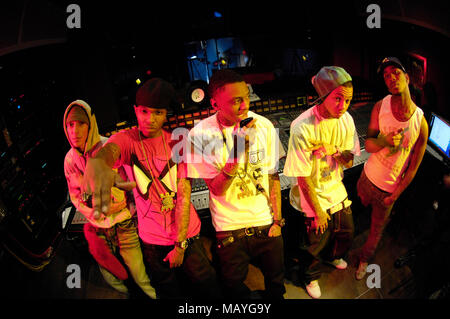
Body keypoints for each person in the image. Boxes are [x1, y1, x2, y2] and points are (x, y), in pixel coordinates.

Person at [81, 78, 222, 299]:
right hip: (152, 240)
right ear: (136, 110)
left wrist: (180, 244)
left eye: (157, 113)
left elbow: (185, 196)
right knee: (167, 290)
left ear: (166, 114)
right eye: (144, 111)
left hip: (186, 235)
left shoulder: (178, 142)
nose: (150, 119)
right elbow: (111, 151)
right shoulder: (128, 139)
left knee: (206, 285)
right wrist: (99, 163)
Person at [187, 69, 286, 299]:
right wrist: (237, 150)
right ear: (214, 104)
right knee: (232, 288)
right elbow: (217, 189)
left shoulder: (264, 125)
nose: (245, 106)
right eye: (236, 101)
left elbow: (272, 176)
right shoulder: (199, 135)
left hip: (265, 221)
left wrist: (278, 221)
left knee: (276, 284)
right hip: (228, 226)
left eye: (247, 97)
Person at [63, 100, 156, 298]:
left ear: (91, 124)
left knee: (139, 275)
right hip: (98, 227)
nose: (75, 130)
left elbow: (133, 183)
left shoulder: (109, 147)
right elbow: (75, 196)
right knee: (111, 276)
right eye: (70, 125)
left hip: (123, 222)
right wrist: (93, 213)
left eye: (81, 124)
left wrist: (126, 207)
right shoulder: (69, 160)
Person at [283, 66, 360, 299]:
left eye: (347, 101)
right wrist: (318, 211)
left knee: (346, 230)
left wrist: (334, 150)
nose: (343, 107)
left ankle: (333, 255)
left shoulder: (346, 119)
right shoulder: (302, 126)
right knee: (314, 241)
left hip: (334, 187)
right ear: (323, 96)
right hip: (310, 191)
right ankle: (310, 275)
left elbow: (348, 160)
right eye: (337, 99)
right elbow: (302, 177)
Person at [355, 57, 428, 280]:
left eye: (395, 73)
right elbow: (368, 144)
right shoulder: (380, 106)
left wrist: (395, 195)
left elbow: (413, 168)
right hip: (366, 179)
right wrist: (385, 141)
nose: (390, 78)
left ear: (406, 78)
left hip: (388, 191)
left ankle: (363, 261)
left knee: (376, 231)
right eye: (386, 76)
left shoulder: (421, 123)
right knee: (355, 218)